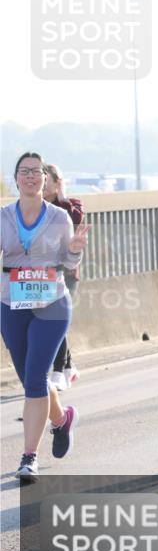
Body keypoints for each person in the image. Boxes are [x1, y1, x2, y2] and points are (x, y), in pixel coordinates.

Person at [3, 152, 90, 483]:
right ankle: (62, 418)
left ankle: (28, 457)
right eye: (24, 171)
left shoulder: (58, 218)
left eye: (36, 172)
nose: (30, 176)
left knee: (37, 379)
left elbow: (68, 265)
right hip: (11, 303)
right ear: (16, 179)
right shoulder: (3, 217)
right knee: (30, 379)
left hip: (51, 303)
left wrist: (77, 248)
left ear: (44, 178)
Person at [41, 163, 84, 390]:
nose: (42, 183)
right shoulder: (34, 207)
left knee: (55, 316)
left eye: (46, 179)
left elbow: (76, 221)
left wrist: (62, 196)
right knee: (50, 318)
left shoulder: (71, 205)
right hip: (42, 273)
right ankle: (68, 366)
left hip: (66, 272)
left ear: (57, 181)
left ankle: (59, 372)